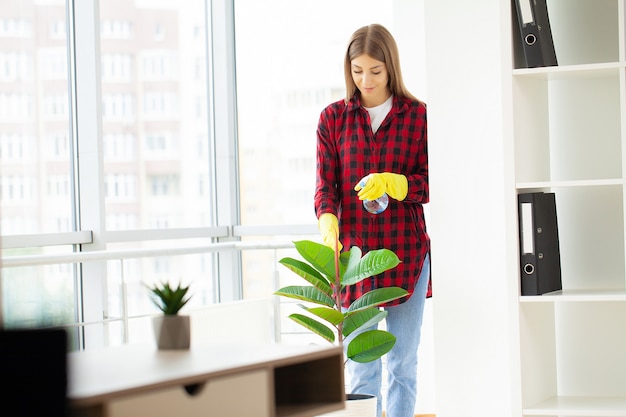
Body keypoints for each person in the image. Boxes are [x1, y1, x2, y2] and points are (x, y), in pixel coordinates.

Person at [314, 23, 431, 417]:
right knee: (362, 367)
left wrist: (398, 183)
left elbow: (430, 184)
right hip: (356, 261)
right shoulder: (333, 119)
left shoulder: (418, 117)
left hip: (408, 255)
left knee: (402, 365)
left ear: (391, 68)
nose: (365, 80)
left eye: (375, 71)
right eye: (357, 70)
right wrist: (327, 219)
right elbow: (325, 185)